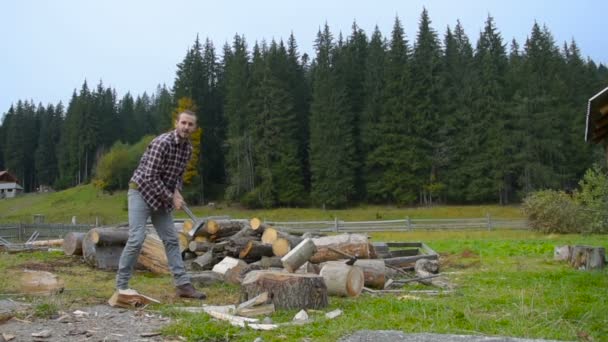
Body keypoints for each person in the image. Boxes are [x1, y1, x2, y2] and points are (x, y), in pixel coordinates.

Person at [116, 109, 206, 299]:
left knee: (172, 240)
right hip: (141, 191)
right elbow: (149, 177)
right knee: (137, 238)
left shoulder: (187, 149)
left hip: (161, 197)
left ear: (194, 128)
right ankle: (122, 286)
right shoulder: (162, 143)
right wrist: (171, 196)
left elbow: (177, 177)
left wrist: (177, 192)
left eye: (190, 124)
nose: (186, 127)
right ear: (176, 123)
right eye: (183, 123)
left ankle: (183, 285)